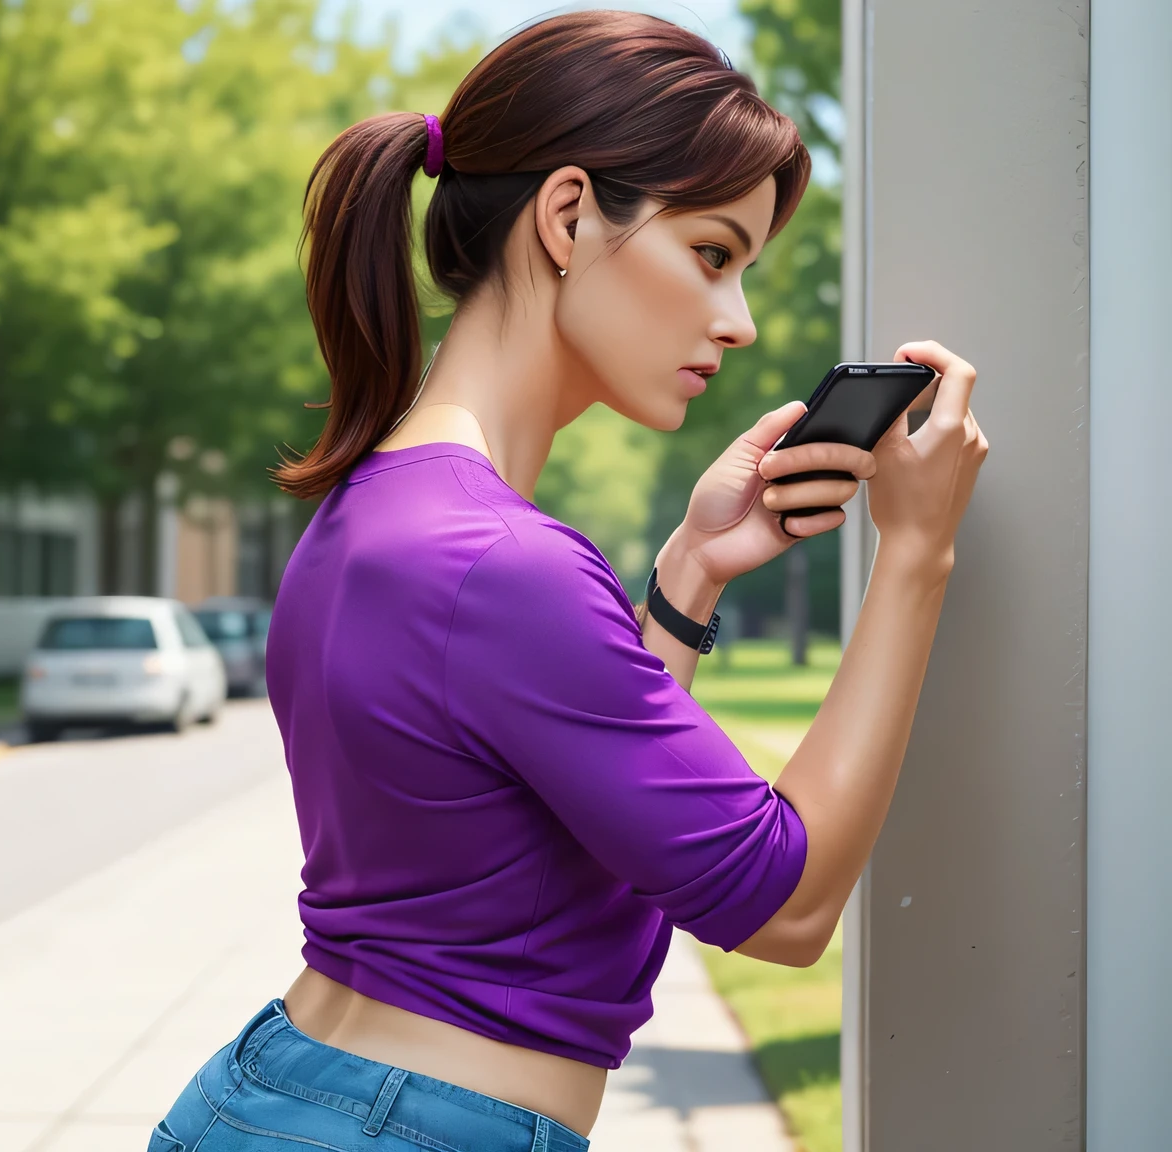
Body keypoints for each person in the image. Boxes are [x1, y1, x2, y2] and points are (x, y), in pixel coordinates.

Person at [148, 11, 987, 1152]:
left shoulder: (370, 515)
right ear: (568, 213)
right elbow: (784, 907)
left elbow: (561, 822)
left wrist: (691, 570)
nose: (736, 322)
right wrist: (917, 555)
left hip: (282, 1093)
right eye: (711, 254)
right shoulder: (505, 564)